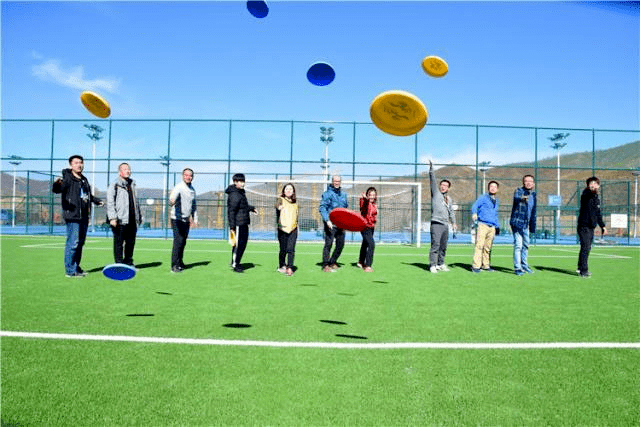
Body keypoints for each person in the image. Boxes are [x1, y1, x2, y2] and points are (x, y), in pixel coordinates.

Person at [52, 155, 103, 278]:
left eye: (81, 162)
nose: (79, 165)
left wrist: (96, 200)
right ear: (71, 165)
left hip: (84, 216)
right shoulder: (67, 178)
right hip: (72, 216)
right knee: (73, 243)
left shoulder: (84, 180)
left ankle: (76, 267)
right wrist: (56, 185)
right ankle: (70, 271)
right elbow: (58, 189)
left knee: (80, 243)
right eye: (76, 163)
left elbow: (87, 195)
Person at [106, 163, 142, 266]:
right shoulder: (115, 184)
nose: (128, 171)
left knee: (130, 242)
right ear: (120, 172)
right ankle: (119, 264)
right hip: (119, 219)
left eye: (129, 169)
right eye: (125, 169)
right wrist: (112, 217)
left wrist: (138, 216)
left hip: (132, 219)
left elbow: (136, 202)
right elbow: (110, 202)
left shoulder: (132, 184)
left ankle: (128, 262)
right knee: (119, 243)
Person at [428, 160, 456, 273]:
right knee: (435, 245)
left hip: (445, 225)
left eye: (446, 186)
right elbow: (432, 181)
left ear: (448, 188)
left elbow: (451, 212)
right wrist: (431, 169)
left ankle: (440, 263)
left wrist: (453, 223)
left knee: (443, 246)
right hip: (436, 223)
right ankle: (432, 265)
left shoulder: (449, 199)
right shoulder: (435, 193)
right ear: (439, 186)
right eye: (442, 185)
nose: (443, 187)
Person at [226, 173, 257, 273]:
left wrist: (251, 208)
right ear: (235, 182)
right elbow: (231, 211)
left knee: (242, 244)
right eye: (240, 181)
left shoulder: (240, 193)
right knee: (238, 245)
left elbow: (243, 206)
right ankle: (235, 264)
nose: (243, 183)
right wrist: (232, 227)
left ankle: (236, 262)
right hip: (238, 224)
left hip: (243, 223)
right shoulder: (234, 194)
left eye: (243, 181)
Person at [577, 176, 607, 278]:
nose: (593, 185)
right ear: (588, 185)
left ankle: (580, 267)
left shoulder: (596, 198)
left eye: (595, 183)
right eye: (591, 183)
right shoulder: (586, 194)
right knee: (586, 247)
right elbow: (588, 194)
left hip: (591, 226)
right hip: (583, 226)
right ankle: (583, 271)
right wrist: (590, 190)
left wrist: (603, 226)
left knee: (587, 247)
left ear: (598, 185)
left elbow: (598, 213)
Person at [169, 168, 197, 273]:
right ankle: (174, 265)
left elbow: (193, 205)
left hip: (186, 220)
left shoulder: (192, 189)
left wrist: (194, 218)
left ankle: (180, 262)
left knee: (183, 241)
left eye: (190, 175)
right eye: (186, 175)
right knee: (178, 241)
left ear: (192, 177)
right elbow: (172, 197)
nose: (188, 177)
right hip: (177, 219)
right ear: (182, 176)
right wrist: (171, 200)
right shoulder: (179, 187)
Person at [319, 175, 348, 272]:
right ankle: (325, 264)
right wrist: (327, 220)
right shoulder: (327, 194)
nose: (337, 183)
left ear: (340, 182)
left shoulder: (343, 195)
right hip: (330, 223)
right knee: (329, 243)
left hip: (341, 224)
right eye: (335, 181)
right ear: (332, 182)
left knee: (340, 244)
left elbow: (345, 210)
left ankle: (332, 261)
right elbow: (322, 208)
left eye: (338, 181)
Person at [510, 174, 537, 276]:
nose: (528, 183)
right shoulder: (519, 191)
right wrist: (522, 198)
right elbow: (517, 198)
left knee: (526, 245)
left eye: (530, 181)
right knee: (518, 245)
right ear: (523, 182)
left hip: (526, 225)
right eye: (526, 181)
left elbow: (533, 212)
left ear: (533, 183)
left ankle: (524, 266)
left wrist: (532, 226)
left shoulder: (533, 195)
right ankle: (517, 268)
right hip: (517, 223)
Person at [471, 181, 500, 273]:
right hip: (482, 225)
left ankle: (486, 265)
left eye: (495, 187)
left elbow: (495, 214)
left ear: (497, 189)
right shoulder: (483, 198)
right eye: (491, 186)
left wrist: (497, 226)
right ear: (488, 188)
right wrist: (474, 213)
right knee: (479, 245)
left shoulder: (496, 201)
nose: (493, 188)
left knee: (488, 247)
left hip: (492, 227)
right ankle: (476, 266)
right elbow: (475, 206)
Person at [275, 183, 299, 276]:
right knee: (283, 249)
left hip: (293, 228)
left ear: (293, 192)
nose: (289, 190)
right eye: (287, 189)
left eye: (290, 189)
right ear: (284, 191)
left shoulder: (295, 203)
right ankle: (282, 265)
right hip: (283, 228)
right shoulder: (280, 199)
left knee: (291, 249)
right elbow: (277, 205)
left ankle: (290, 267)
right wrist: (279, 207)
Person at [358, 187, 378, 272]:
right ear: (367, 195)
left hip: (371, 227)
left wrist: (374, 221)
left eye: (374, 195)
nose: (372, 197)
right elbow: (364, 205)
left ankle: (361, 261)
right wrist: (365, 199)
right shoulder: (363, 201)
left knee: (365, 243)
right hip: (364, 227)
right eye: (370, 195)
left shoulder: (374, 205)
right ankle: (368, 265)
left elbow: (373, 215)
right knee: (371, 244)